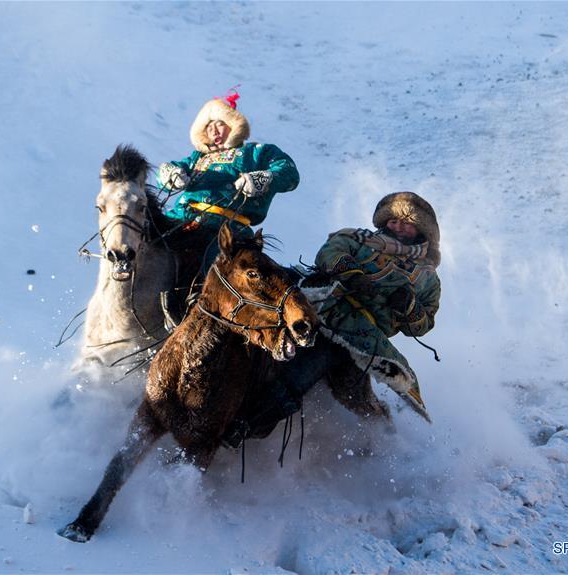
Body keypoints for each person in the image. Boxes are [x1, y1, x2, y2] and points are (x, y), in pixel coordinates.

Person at [223, 191, 442, 446]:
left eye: (406, 222)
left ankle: (244, 426)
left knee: (301, 373)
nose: (398, 225)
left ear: (421, 230)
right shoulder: (357, 238)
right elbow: (329, 253)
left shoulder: (427, 278)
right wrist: (354, 274)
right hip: (315, 301)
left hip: (357, 332)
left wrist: (409, 306)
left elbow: (423, 325)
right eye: (394, 220)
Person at [155, 91, 300, 324]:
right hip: (183, 220)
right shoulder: (196, 158)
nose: (214, 130)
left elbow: (289, 172)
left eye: (220, 124)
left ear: (234, 126)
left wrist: (260, 179)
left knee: (217, 264)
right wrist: (172, 174)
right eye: (209, 125)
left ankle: (197, 310)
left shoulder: (257, 152)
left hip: (227, 227)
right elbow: (167, 170)